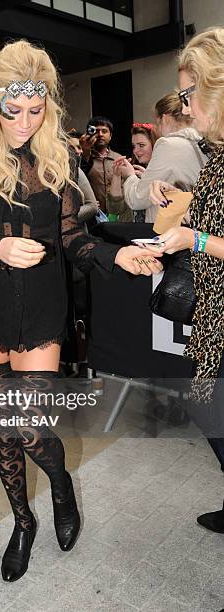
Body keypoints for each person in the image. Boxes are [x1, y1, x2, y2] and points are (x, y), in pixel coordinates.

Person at [0, 39, 162, 581]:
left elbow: (71, 238)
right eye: (12, 111)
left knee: (33, 427)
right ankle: (22, 521)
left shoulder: (56, 156)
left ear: (48, 106)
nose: (23, 122)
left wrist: (117, 254)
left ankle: (60, 487)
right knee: (3, 427)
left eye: (35, 111)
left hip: (40, 305)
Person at [148, 27, 224, 533]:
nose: (185, 108)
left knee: (213, 410)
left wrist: (192, 242)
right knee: (209, 409)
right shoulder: (217, 153)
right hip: (215, 310)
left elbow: (208, 236)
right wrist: (173, 200)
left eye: (190, 94)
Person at [117, 92, 208, 223]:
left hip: (171, 231)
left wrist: (130, 176)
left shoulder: (167, 144)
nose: (158, 129)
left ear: (164, 119)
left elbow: (137, 199)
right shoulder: (200, 143)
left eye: (157, 123)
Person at [107, 122, 157, 222]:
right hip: (129, 234)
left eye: (141, 145)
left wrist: (146, 180)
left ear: (155, 145)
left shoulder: (163, 171)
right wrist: (116, 175)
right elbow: (115, 209)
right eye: (134, 146)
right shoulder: (132, 170)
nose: (136, 151)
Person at [79, 116, 122, 213]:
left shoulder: (119, 159)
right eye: (96, 131)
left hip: (117, 213)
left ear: (110, 136)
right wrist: (85, 152)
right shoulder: (83, 158)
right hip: (92, 214)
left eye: (104, 131)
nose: (100, 134)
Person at [68, 129, 99, 226]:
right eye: (72, 148)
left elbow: (92, 206)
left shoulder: (78, 170)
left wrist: (60, 219)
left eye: (79, 147)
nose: (78, 151)